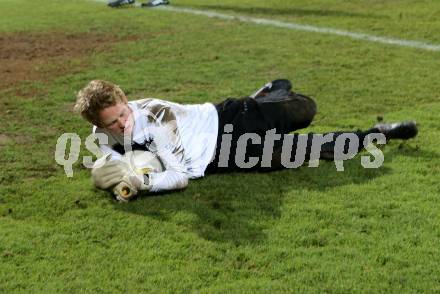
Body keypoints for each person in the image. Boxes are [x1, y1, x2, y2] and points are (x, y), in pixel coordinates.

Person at [74, 79, 418, 200]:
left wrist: (143, 181)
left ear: (125, 99)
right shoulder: (102, 136)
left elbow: (177, 179)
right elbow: (120, 169)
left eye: (123, 114)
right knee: (308, 151)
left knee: (307, 109)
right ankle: (376, 135)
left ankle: (273, 92)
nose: (123, 124)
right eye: (113, 123)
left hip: (232, 119)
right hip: (225, 158)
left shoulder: (155, 116)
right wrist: (118, 176)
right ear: (98, 124)